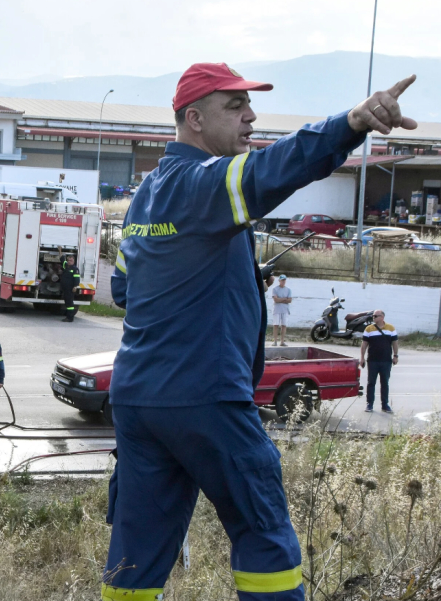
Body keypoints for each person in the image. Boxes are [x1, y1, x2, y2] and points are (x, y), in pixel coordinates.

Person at [105, 62, 417, 601]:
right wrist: (352, 122)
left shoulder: (145, 198)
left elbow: (124, 290)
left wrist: (214, 280)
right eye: (236, 107)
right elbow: (273, 169)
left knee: (136, 555)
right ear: (195, 119)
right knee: (264, 532)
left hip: (137, 400)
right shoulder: (203, 183)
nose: (251, 117)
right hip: (205, 395)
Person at [359, 310, 399, 413]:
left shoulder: (391, 328)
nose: (374, 317)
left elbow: (395, 343)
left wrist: (395, 356)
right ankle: (369, 404)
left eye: (376, 316)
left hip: (386, 360)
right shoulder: (369, 329)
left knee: (385, 383)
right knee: (371, 383)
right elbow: (364, 344)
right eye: (373, 316)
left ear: (382, 317)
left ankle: (385, 405)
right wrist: (362, 358)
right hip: (372, 360)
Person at [58, 245, 81, 322]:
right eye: (68, 260)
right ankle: (68, 316)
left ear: (73, 261)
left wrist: (75, 287)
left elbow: (77, 279)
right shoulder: (66, 266)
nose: (69, 261)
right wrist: (60, 250)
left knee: (69, 303)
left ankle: (70, 318)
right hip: (65, 288)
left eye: (71, 260)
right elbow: (62, 259)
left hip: (70, 289)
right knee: (67, 302)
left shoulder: (75, 269)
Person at [272, 275, 292, 346]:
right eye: (282, 280)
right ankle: (275, 341)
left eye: (284, 280)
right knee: (276, 325)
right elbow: (276, 300)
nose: (283, 282)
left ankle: (282, 341)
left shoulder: (288, 290)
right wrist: (284, 299)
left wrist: (280, 299)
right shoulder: (275, 289)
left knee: (284, 325)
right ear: (279, 281)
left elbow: (289, 300)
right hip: (277, 309)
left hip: (285, 310)